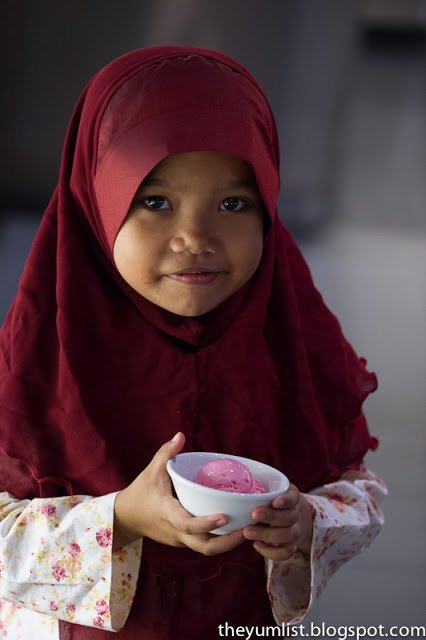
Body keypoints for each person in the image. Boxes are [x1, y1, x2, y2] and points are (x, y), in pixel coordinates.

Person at [0, 46, 386, 639]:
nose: (194, 237)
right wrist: (120, 519)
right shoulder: (37, 359)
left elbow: (359, 494)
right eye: (155, 202)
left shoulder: (288, 338)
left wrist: (309, 523)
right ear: (95, 208)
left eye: (233, 203)